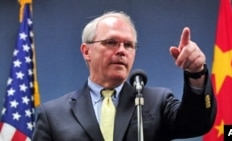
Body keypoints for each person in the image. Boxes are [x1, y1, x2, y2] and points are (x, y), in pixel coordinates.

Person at [32, 11, 216, 141]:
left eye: (128, 45)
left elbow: (197, 124)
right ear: (86, 51)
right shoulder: (53, 116)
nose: (121, 51)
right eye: (111, 42)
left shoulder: (157, 102)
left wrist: (196, 72)